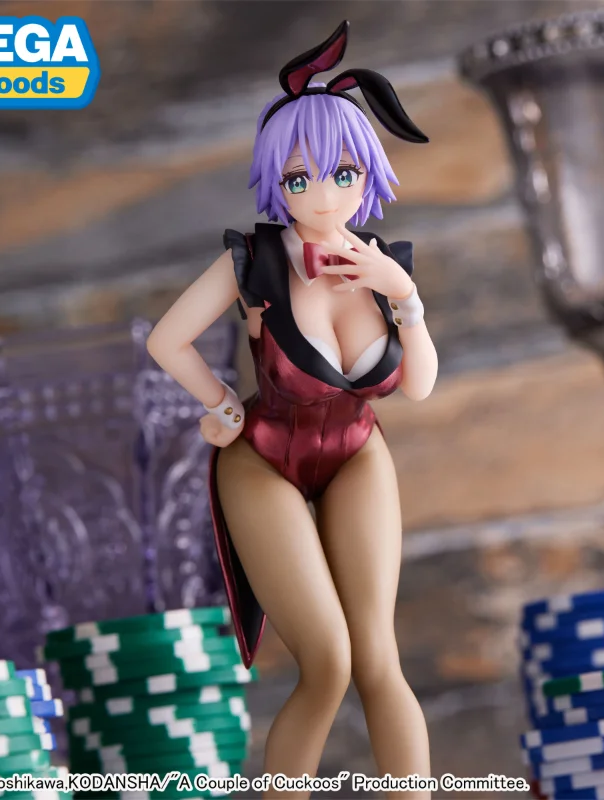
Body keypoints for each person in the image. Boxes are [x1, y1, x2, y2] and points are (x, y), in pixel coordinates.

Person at [146, 20, 437, 799]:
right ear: (276, 182)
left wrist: (404, 296)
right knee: (328, 662)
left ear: (368, 171)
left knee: (377, 658)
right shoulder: (253, 260)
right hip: (264, 457)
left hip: (357, 452)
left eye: (342, 173)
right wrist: (219, 405)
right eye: (300, 179)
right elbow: (168, 340)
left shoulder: (382, 266)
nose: (324, 195)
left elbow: (416, 386)